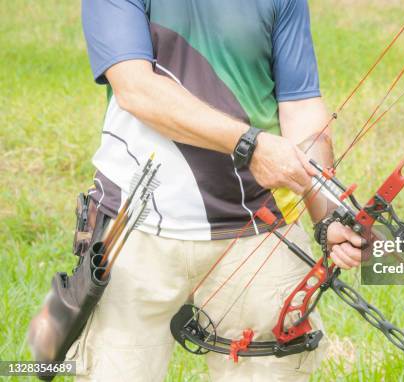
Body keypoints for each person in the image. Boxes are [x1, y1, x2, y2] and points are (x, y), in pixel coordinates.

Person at [71, 0, 363, 380]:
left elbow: (300, 103)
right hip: (137, 224)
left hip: (258, 223)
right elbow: (137, 89)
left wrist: (327, 214)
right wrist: (250, 144)